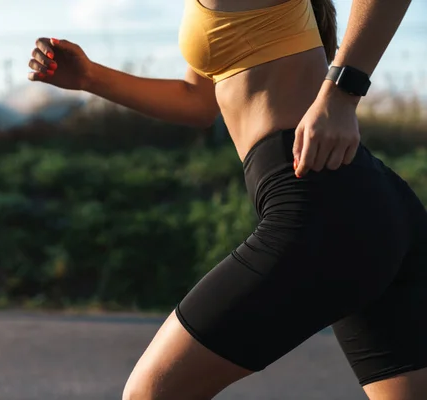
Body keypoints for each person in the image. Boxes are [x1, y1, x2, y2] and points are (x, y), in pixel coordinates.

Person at [28, 0, 427, 398]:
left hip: (321, 202)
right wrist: (90, 77)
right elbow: (198, 101)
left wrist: (342, 93)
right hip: (366, 201)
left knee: (152, 393)